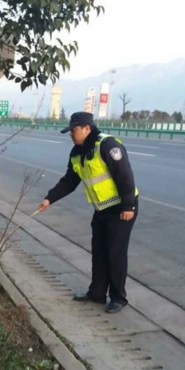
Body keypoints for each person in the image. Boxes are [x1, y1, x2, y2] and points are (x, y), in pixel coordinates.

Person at [37, 111, 138, 314]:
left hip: (121, 208)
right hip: (101, 208)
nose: (71, 135)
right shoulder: (77, 153)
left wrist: (128, 206)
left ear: (87, 129)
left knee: (115, 254)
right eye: (70, 131)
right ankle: (97, 293)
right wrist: (50, 198)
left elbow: (125, 176)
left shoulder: (107, 146)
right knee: (99, 251)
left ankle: (119, 297)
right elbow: (69, 181)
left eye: (74, 130)